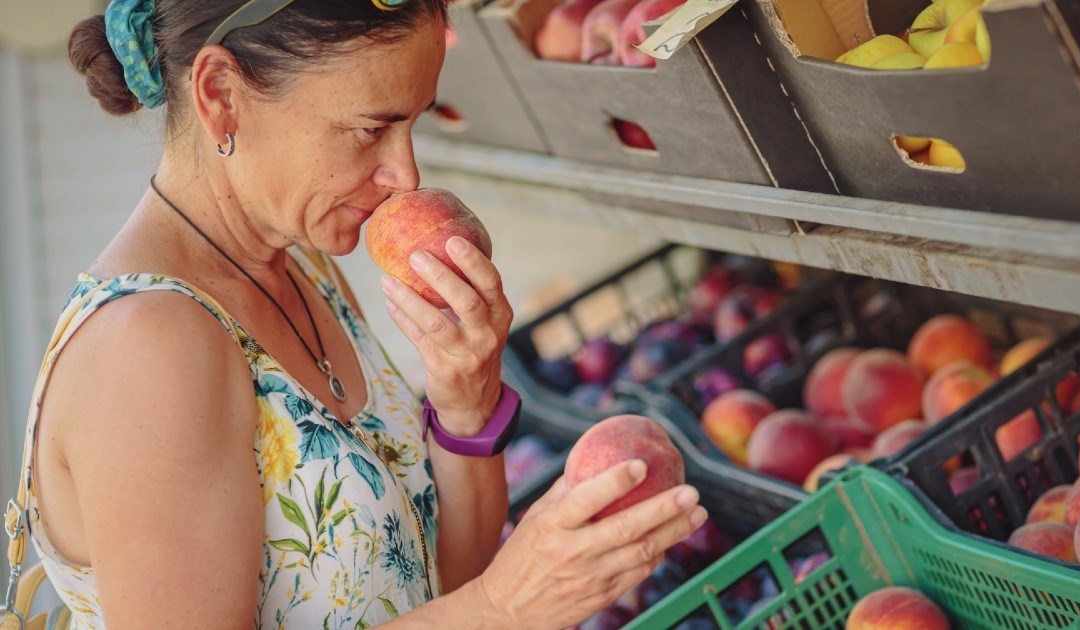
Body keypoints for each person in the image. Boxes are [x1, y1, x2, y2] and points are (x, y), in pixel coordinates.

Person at [15, 0, 707, 627]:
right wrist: (502, 609)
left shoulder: (305, 263)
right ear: (221, 96)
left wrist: (466, 407)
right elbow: (473, 609)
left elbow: (438, 588)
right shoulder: (149, 348)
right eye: (370, 129)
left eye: (413, 123)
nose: (404, 175)